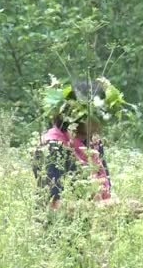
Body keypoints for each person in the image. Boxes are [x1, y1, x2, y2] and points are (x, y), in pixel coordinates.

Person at [32, 78, 116, 210]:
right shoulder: (52, 146)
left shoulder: (93, 143)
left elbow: (105, 190)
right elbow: (52, 205)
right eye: (97, 115)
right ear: (77, 115)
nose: (102, 122)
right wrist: (105, 208)